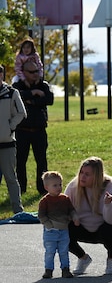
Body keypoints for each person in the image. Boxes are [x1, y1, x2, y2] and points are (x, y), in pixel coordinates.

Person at [64, 157, 112, 276]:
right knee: (60, 231)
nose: (82, 177)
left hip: (104, 227)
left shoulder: (110, 186)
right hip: (81, 226)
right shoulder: (73, 187)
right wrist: (72, 216)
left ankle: (111, 259)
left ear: (97, 176)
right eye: (81, 172)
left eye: (87, 174)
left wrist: (108, 204)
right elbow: (64, 210)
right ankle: (83, 257)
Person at [13, 60, 54, 195]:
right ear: (24, 72)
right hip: (22, 131)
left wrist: (31, 101)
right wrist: (34, 93)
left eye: (37, 71)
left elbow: (49, 100)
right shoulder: (17, 85)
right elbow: (16, 97)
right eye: (31, 72)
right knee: (20, 161)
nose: (35, 74)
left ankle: (43, 189)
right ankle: (21, 189)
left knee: (41, 161)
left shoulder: (44, 85)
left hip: (39, 130)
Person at [38, 171, 79, 279]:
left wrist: (74, 217)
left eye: (60, 184)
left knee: (64, 251)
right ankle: (49, 270)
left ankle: (65, 269)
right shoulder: (45, 201)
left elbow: (71, 210)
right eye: (55, 185)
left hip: (63, 230)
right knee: (50, 252)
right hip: (50, 231)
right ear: (47, 187)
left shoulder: (65, 199)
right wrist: (48, 225)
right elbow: (41, 215)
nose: (58, 187)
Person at [0, 64, 26, 213]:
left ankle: (18, 210)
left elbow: (21, 113)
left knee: (10, 178)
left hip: (7, 143)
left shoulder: (11, 93)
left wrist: (10, 126)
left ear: (2, 75)